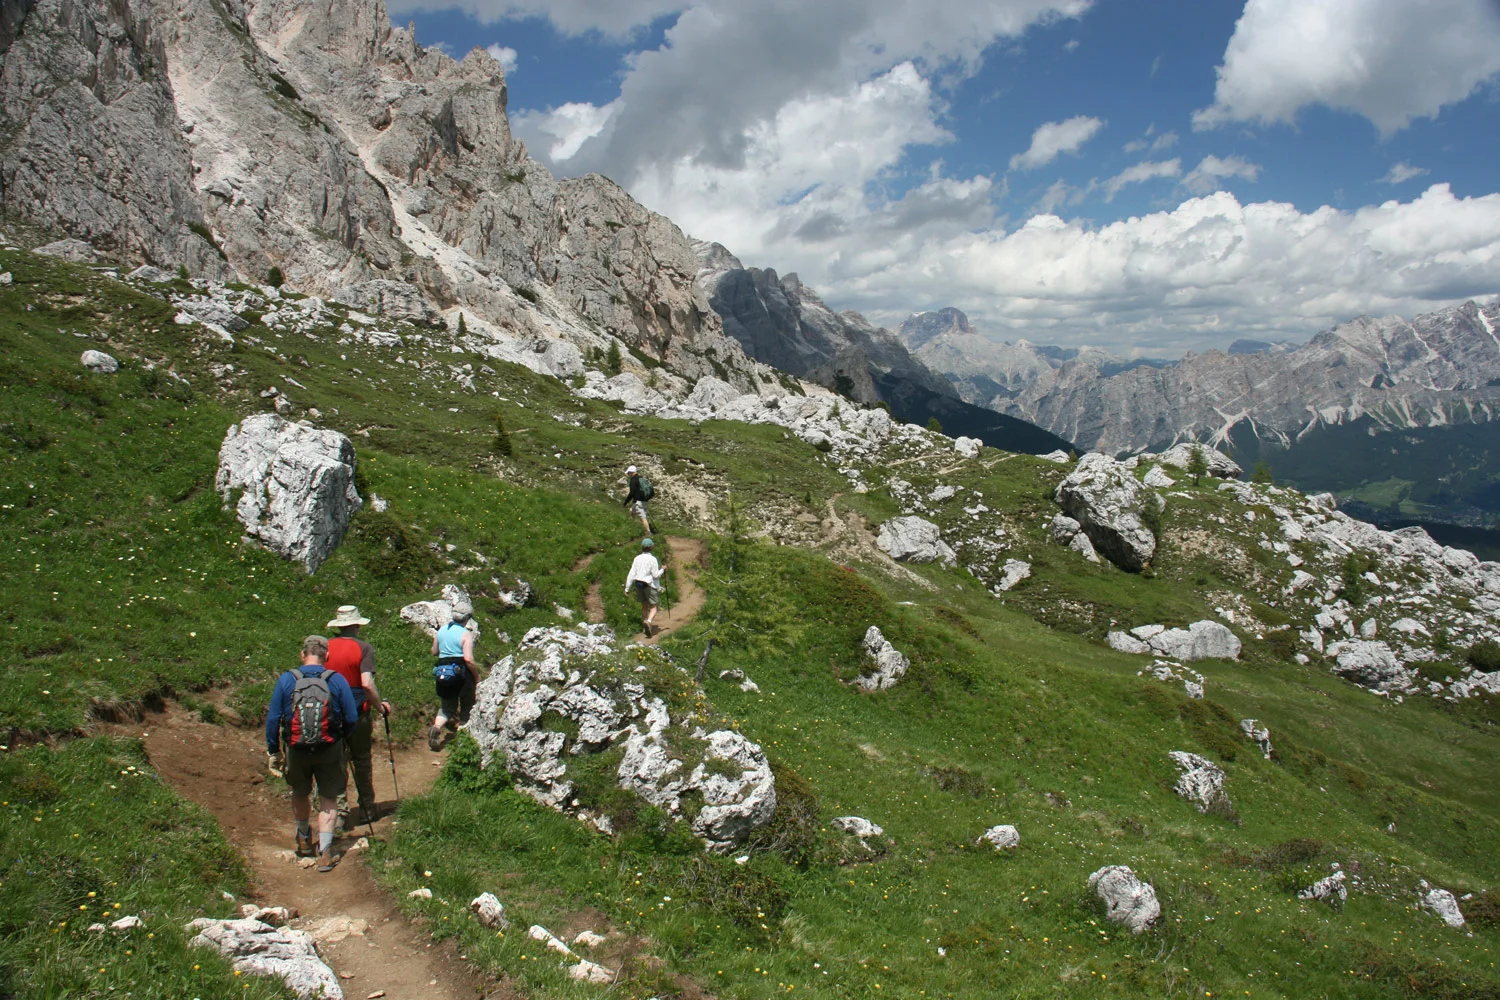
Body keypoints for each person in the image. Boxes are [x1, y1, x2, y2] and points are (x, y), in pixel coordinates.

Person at [266, 636, 359, 872]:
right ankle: (325, 851)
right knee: (329, 796)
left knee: (300, 792)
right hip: (329, 747)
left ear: (302, 654)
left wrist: (273, 749)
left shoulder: (287, 679)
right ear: (326, 656)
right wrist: (342, 738)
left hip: (296, 748)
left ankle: (304, 837)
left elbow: (274, 718)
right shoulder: (336, 679)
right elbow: (351, 717)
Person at [325, 605, 391, 828]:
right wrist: (380, 707)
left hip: (329, 712)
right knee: (361, 760)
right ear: (356, 625)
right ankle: (367, 808)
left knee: (336, 762)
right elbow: (367, 684)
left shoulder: (325, 647)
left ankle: (339, 813)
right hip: (357, 712)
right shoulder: (364, 648)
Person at [429, 599, 478, 751]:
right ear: (467, 618)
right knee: (466, 705)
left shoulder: (442, 630)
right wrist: (477, 677)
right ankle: (462, 739)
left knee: (447, 707)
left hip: (442, 672)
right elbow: (468, 659)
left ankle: (436, 728)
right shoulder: (465, 634)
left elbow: (434, 651)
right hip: (461, 673)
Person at [624, 537, 665, 636]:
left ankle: (644, 625)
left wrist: (627, 588)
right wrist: (663, 569)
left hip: (639, 584)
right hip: (649, 585)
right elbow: (655, 575)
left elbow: (632, 573)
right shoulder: (652, 559)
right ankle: (649, 622)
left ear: (642, 547)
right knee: (653, 607)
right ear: (652, 547)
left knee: (644, 606)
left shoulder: (637, 558)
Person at [622, 464, 652, 534]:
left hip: (639, 502)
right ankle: (632, 525)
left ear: (631, 472)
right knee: (631, 511)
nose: (628, 474)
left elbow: (632, 492)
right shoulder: (641, 478)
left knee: (642, 517)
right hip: (644, 500)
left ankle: (648, 533)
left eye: (628, 473)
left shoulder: (634, 480)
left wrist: (626, 502)